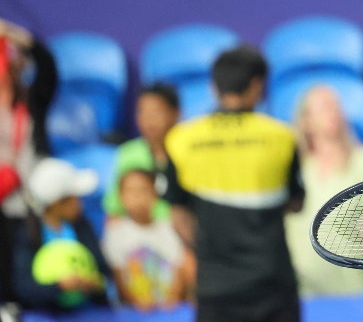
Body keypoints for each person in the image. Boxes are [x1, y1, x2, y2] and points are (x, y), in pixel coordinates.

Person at [164, 45, 304, 322]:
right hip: (273, 285)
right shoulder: (282, 137)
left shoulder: (182, 140)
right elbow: (296, 203)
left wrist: (208, 249)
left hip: (215, 289)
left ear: (213, 87)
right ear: (257, 85)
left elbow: (178, 216)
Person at [284, 85, 363, 298]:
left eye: (336, 106)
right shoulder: (296, 168)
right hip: (300, 293)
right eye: (325, 107)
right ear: (306, 121)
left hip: (350, 292)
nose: (335, 112)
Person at [0, 20, 58, 302]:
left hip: (29, 202)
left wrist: (18, 36)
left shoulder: (32, 101)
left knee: (25, 275)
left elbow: (48, 68)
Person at [13, 158, 111, 311]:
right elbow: (24, 288)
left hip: (86, 313)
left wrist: (92, 283)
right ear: (56, 203)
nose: (80, 203)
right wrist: (60, 286)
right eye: (74, 198)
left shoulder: (82, 225)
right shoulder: (29, 233)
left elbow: (103, 273)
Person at [102, 170, 191, 310]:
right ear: (120, 196)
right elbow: (118, 277)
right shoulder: (115, 234)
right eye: (130, 191)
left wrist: (173, 299)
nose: (137, 196)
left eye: (143, 189)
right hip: (136, 313)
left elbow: (179, 269)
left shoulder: (169, 229)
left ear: (155, 194)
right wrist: (137, 303)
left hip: (170, 311)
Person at [102, 84, 179, 223]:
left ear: (176, 113)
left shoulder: (187, 152)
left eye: (156, 111)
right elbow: (114, 210)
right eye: (142, 111)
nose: (149, 119)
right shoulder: (127, 153)